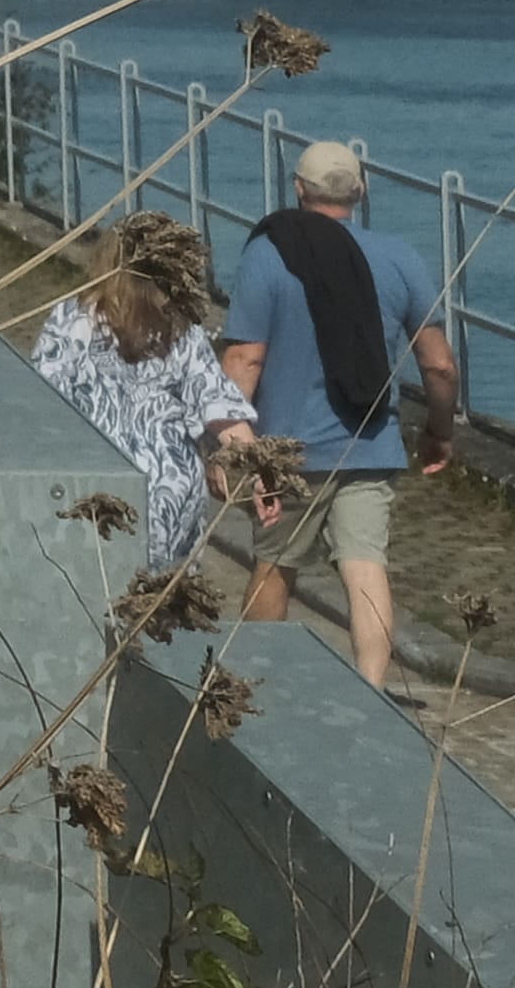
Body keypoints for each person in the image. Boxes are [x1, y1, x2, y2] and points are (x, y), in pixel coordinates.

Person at [227, 135, 457, 693]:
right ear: (360, 191)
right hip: (371, 441)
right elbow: (440, 366)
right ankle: (372, 687)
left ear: (298, 189)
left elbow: (245, 356)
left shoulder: (269, 253)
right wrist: (439, 432)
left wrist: (236, 443)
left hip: (287, 449)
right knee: (364, 564)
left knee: (275, 563)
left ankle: (260, 685)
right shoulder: (399, 256)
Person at [28, 226, 260, 574]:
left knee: (99, 593)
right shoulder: (181, 328)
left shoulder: (71, 320)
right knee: (162, 605)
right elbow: (221, 409)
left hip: (97, 487)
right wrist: (260, 476)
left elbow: (39, 402)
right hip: (171, 492)